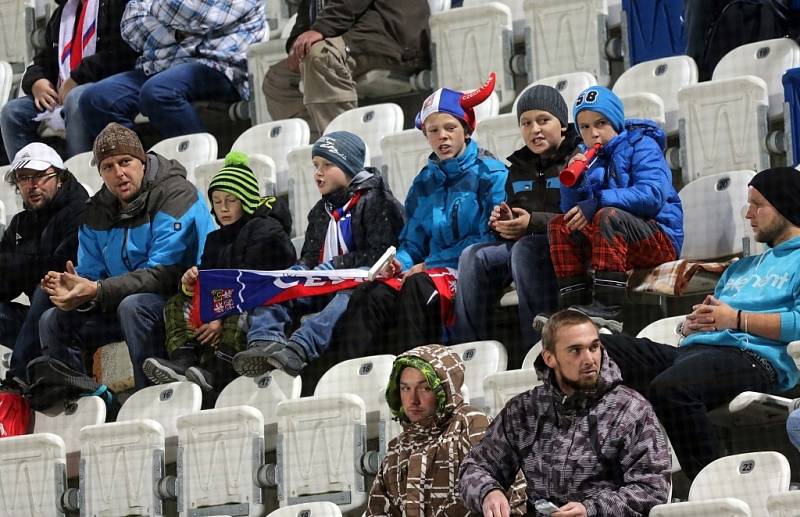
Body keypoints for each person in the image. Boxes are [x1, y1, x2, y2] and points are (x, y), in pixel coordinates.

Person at [598, 166, 800, 480]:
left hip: (755, 360)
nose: (748, 214)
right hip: (695, 352)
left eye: (758, 204)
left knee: (672, 387)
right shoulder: (740, 268)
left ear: (786, 206)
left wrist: (735, 319)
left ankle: (712, 487)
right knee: (592, 349)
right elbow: (715, 318)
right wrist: (694, 325)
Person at [334, 75, 507, 354]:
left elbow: (488, 237)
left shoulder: (491, 174)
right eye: (433, 130)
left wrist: (427, 266)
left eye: (450, 127)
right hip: (428, 271)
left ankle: (416, 372)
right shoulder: (424, 180)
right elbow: (413, 243)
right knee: (371, 293)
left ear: (466, 129)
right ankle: (357, 378)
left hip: (470, 270)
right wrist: (399, 263)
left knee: (417, 287)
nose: (442, 136)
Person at [38, 123, 216, 388]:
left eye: (125, 162)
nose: (118, 173)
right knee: (52, 319)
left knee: (134, 306)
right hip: (121, 301)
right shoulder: (94, 213)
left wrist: (97, 290)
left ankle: (152, 395)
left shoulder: (177, 194)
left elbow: (165, 274)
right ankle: (86, 402)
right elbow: (93, 275)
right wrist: (77, 290)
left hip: (186, 299)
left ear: (142, 161)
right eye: (107, 167)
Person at [459, 310, 671, 517]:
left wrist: (591, 509)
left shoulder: (631, 409)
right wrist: (488, 492)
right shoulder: (524, 410)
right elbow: (475, 466)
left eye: (594, 347)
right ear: (549, 358)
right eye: (575, 350)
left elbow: (652, 489)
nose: (589, 359)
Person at [231, 131, 405, 378]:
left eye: (327, 165)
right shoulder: (320, 210)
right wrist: (301, 269)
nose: (318, 173)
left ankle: (300, 348)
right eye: (315, 166)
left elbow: (382, 251)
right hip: (322, 283)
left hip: (358, 284)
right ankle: (264, 341)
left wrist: (336, 266)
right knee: (275, 285)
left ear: (349, 167)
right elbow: (312, 254)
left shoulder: (378, 201)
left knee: (347, 298)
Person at [142, 152, 296, 392]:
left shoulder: (266, 229)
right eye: (217, 201)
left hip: (257, 297)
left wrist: (219, 317)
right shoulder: (214, 239)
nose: (222, 208)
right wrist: (190, 283)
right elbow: (210, 278)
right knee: (176, 303)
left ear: (245, 199)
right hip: (222, 300)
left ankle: (218, 372)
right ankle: (183, 362)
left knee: (242, 312)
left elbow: (250, 281)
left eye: (231, 200)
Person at [547, 86, 683, 331]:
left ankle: (609, 307)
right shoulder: (588, 158)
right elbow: (572, 212)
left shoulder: (643, 145)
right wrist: (572, 182)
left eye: (601, 123)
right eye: (585, 127)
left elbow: (652, 195)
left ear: (616, 121)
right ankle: (573, 307)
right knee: (560, 224)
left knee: (608, 215)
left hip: (659, 238)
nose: (594, 133)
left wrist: (598, 200)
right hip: (615, 242)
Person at [453, 85, 580, 347]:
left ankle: (537, 347)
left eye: (543, 120)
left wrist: (530, 223)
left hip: (564, 243)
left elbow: (576, 216)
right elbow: (513, 212)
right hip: (525, 241)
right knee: (473, 256)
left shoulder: (577, 159)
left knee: (524, 249)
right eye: (526, 123)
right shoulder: (519, 167)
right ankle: (472, 349)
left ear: (563, 125)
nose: (535, 129)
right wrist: (503, 221)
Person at [367, 344, 526, 517]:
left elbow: (514, 499)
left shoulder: (474, 427)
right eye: (405, 388)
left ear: (444, 389)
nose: (413, 400)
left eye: (425, 388)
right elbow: (376, 511)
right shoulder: (396, 450)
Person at [79, 0, 264, 140]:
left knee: (158, 91)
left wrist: (156, 13)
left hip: (220, 67)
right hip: (162, 66)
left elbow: (196, 16)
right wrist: (177, 33)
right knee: (96, 99)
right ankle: (142, 173)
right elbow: (130, 27)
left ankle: (199, 171)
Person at [263, 0, 431, 138]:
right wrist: (296, 45)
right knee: (277, 79)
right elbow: (308, 11)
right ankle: (322, 142)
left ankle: (345, 150)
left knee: (322, 56)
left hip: (391, 37)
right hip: (348, 36)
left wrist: (321, 29)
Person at [0, 0, 137, 160]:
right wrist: (36, 81)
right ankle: (28, 177)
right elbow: (43, 61)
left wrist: (78, 77)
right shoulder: (61, 15)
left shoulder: (116, 5)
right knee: (13, 112)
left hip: (106, 85)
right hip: (63, 91)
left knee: (76, 98)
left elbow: (123, 53)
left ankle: (78, 173)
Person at [0, 143, 89, 384]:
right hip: (37, 315)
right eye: (24, 178)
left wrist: (19, 264)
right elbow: (5, 284)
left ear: (59, 177)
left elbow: (62, 266)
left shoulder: (81, 210)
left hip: (80, 311)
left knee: (48, 285)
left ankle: (18, 376)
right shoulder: (20, 224)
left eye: (40, 176)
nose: (32, 185)